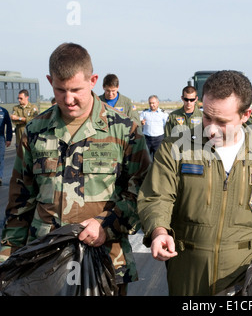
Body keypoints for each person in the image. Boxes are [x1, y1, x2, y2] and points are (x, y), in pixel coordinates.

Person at [0, 43, 151, 295]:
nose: (68, 99)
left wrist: (107, 225)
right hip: (43, 265)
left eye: (76, 90)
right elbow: (19, 205)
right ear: (49, 81)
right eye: (60, 90)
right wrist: (6, 262)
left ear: (93, 80)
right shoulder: (35, 131)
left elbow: (142, 194)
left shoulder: (126, 130)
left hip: (104, 264)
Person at [137, 70, 252, 296]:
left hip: (245, 275)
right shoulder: (177, 147)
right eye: (207, 117)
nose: (211, 129)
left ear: (246, 115)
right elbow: (156, 196)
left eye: (222, 121)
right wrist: (158, 230)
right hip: (188, 274)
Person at [140, 95, 168, 160]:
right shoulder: (144, 113)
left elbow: (167, 125)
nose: (152, 105)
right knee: (145, 159)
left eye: (153, 103)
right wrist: (141, 123)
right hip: (147, 139)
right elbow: (138, 121)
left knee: (158, 159)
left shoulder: (163, 114)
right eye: (150, 103)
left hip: (158, 139)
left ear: (157, 103)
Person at [0, 105, 12, 186]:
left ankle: (0, 177)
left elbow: (9, 125)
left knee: (0, 157)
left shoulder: (3, 111)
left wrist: (8, 138)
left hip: (0, 138)